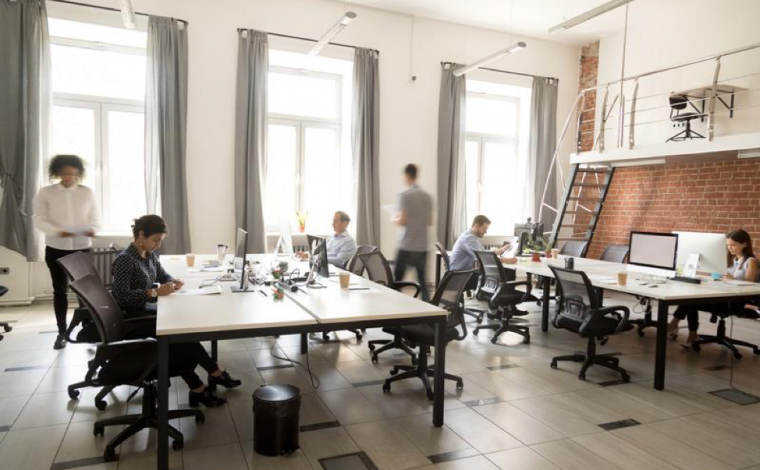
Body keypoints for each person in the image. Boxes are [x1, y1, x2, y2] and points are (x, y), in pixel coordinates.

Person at [111, 215, 241, 407]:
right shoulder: (125, 260)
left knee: (183, 332)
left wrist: (173, 281)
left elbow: (162, 274)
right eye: (155, 240)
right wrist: (154, 291)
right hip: (134, 318)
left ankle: (205, 382)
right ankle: (207, 380)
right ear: (141, 235)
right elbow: (120, 296)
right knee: (180, 337)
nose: (157, 245)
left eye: (160, 241)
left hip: (147, 309)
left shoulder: (148, 254)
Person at [33, 155, 100, 350]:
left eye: (73, 173)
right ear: (57, 173)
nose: (69, 177)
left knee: (85, 291)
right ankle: (61, 332)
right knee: (59, 290)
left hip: (82, 246)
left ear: (78, 173)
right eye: (64, 173)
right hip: (56, 248)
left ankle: (89, 329)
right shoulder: (46, 192)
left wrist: (92, 229)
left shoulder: (87, 192)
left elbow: (95, 219)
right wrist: (58, 231)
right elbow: (39, 219)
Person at [668, 229, 759, 344]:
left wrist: (731, 278)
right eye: (728, 245)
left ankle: (677, 325)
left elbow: (749, 285)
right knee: (690, 300)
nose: (730, 248)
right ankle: (690, 333)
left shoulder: (751, 262)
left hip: (736, 302)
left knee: (691, 302)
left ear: (744, 244)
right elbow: (723, 277)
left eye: (733, 245)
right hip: (724, 295)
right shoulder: (733, 260)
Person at [394, 164, 433, 301]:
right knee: (423, 282)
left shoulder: (404, 195)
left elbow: (403, 221)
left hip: (407, 246)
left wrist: (394, 218)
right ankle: (429, 311)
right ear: (417, 175)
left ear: (407, 176)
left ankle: (393, 311)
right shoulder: (428, 196)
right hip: (422, 247)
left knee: (397, 282)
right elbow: (430, 221)